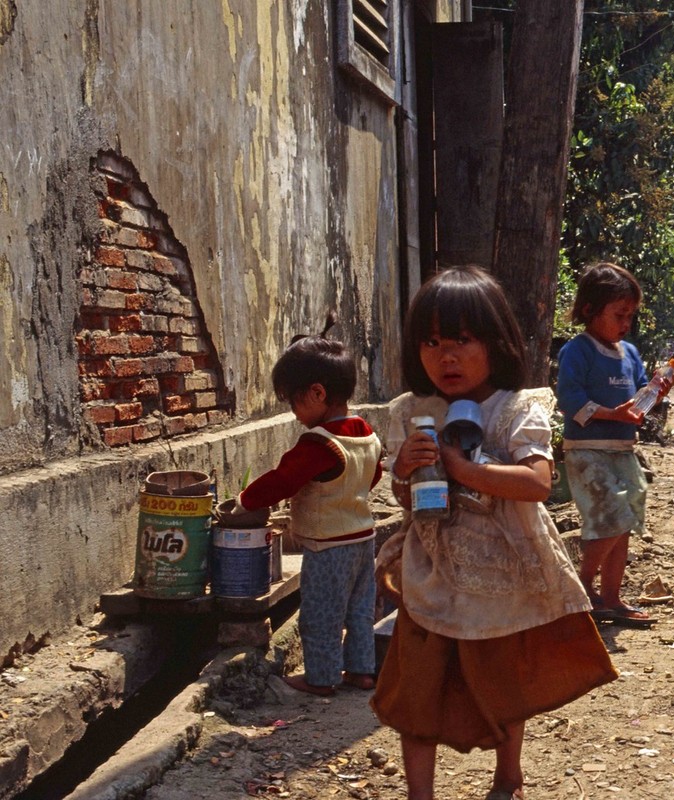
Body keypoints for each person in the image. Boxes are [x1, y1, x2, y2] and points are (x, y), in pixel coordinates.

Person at [373, 266, 617, 800]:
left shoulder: (514, 408)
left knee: (501, 684)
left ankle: (508, 780)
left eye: (461, 340)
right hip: (431, 572)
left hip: (500, 574)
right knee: (417, 689)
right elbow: (405, 500)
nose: (446, 357)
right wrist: (403, 473)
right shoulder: (412, 412)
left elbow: (536, 482)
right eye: (431, 342)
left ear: (497, 342)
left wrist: (462, 469)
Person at [235, 318, 383, 697]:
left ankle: (321, 677)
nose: (293, 413)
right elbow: (373, 477)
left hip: (328, 545)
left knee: (321, 615)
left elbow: (282, 480)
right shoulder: (366, 433)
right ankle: (362, 671)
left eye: (293, 401)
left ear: (317, 393)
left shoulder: (318, 444)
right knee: (359, 611)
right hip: (364, 540)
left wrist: (244, 501)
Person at [555, 262, 674, 629]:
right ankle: (581, 587)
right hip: (587, 450)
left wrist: (655, 391)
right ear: (590, 310)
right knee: (609, 519)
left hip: (622, 450)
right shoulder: (578, 351)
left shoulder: (630, 353)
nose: (625, 324)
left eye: (630, 316)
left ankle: (610, 598)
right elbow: (570, 400)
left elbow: (638, 399)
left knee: (625, 522)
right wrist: (612, 413)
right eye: (619, 315)